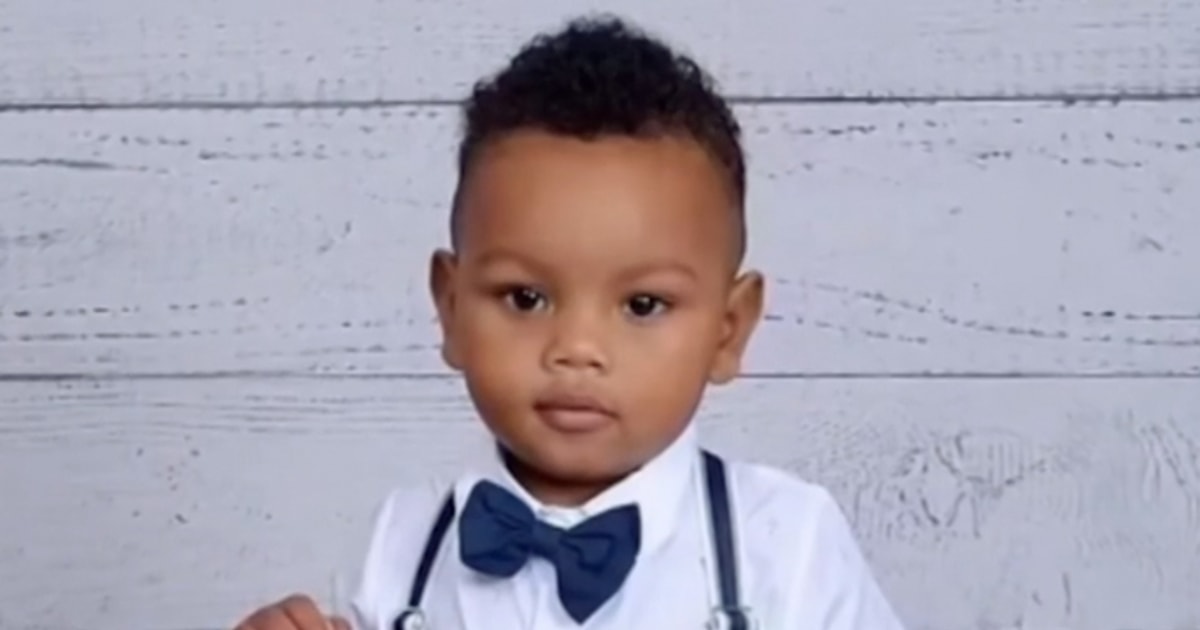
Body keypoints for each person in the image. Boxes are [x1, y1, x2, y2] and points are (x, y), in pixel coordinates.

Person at [234, 14, 906, 630]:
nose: (577, 349)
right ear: (452, 308)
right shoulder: (401, 543)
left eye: (642, 305)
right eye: (526, 298)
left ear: (728, 330)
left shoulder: (788, 545)